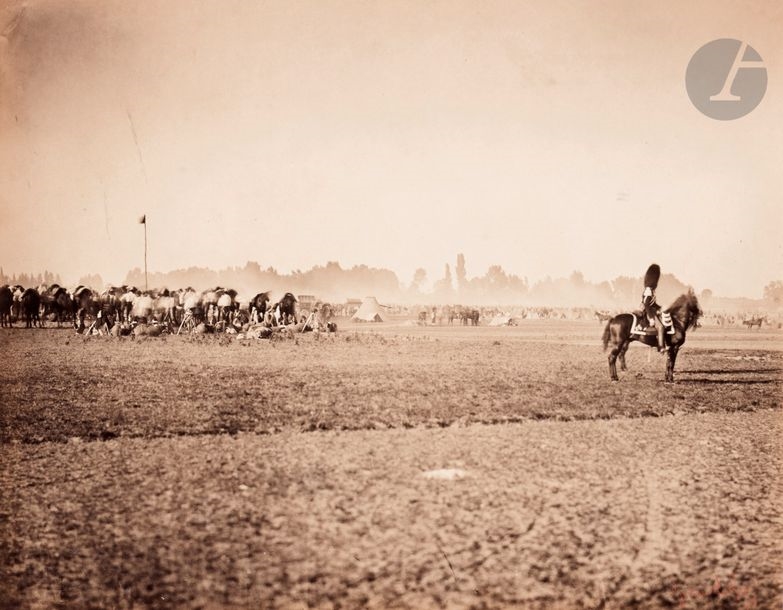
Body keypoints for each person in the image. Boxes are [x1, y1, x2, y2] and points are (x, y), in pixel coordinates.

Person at [641, 263, 666, 352]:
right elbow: (647, 304)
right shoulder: (648, 290)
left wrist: (661, 307)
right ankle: (661, 347)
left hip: (652, 310)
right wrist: (651, 318)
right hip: (649, 312)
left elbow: (653, 304)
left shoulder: (651, 290)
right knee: (660, 327)